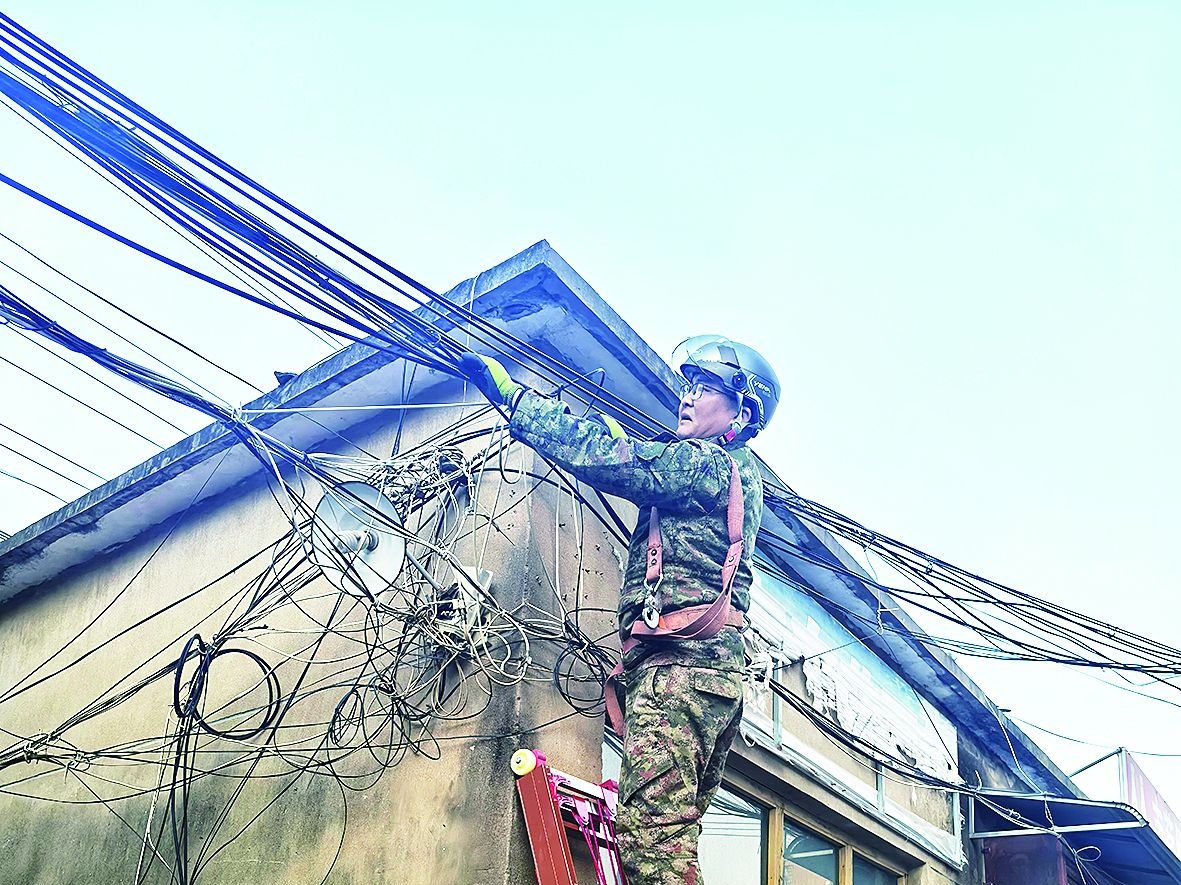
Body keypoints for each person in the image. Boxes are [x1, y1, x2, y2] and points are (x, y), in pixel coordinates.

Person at [458, 335, 780, 885]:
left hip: (681, 669)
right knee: (669, 835)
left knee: (652, 841)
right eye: (688, 385)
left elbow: (620, 461)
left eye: (705, 388)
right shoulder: (729, 474)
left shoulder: (707, 464)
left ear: (741, 414)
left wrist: (517, 401)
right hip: (707, 676)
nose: (687, 396)